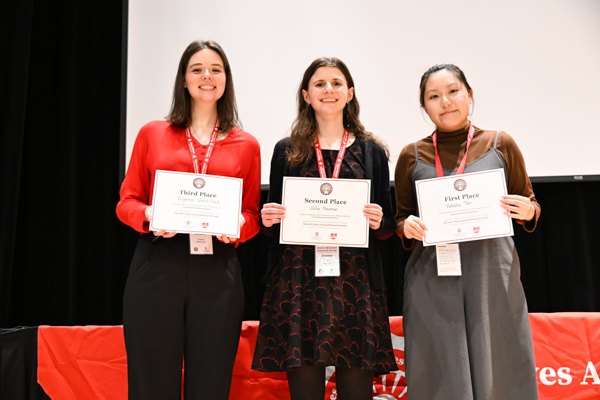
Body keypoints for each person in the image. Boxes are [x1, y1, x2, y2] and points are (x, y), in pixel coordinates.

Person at [116, 40, 260, 399]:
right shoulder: (153, 133)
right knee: (151, 380)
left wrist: (239, 228)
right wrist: (149, 214)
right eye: (197, 69)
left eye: (216, 69)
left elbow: (252, 214)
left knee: (210, 382)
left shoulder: (247, 144)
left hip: (218, 268)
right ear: (183, 79)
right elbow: (126, 202)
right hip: (157, 263)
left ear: (226, 80)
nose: (206, 76)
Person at [252, 57, 398, 400]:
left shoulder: (371, 151)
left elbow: (388, 226)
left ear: (350, 93)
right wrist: (269, 218)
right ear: (306, 95)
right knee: (304, 391)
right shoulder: (287, 151)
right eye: (319, 84)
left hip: (355, 281)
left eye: (336, 83)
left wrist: (379, 222)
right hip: (299, 279)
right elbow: (272, 225)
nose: (328, 90)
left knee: (357, 391)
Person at [394, 64, 540, 400]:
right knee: (441, 368)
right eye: (434, 96)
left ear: (469, 95)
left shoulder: (500, 144)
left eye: (453, 91)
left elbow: (531, 204)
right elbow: (401, 218)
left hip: (491, 273)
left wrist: (528, 210)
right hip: (433, 277)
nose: (445, 101)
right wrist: (406, 226)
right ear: (424, 106)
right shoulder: (412, 155)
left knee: (501, 362)